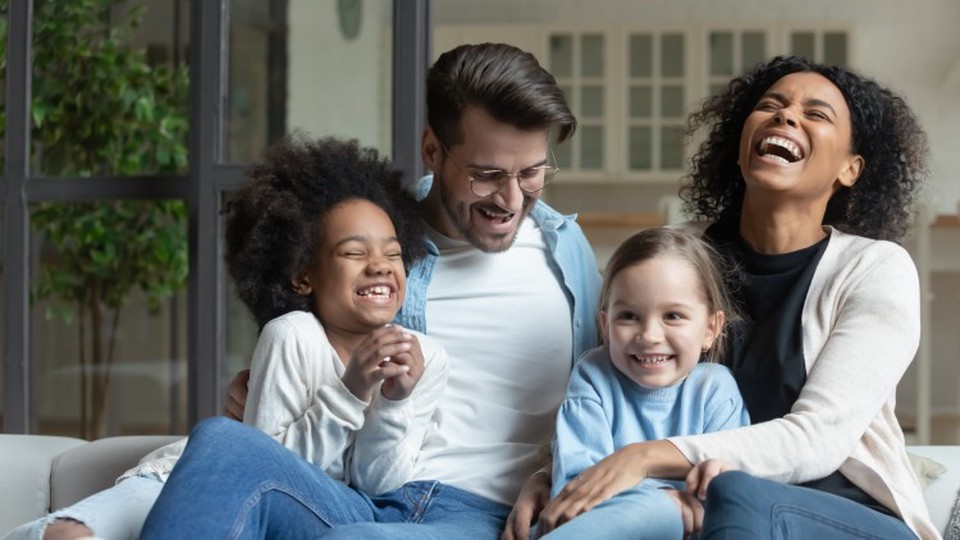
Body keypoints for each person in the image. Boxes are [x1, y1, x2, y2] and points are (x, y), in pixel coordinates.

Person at [140, 42, 601, 540]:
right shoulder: (373, 253)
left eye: (531, 172)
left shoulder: (566, 253)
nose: (511, 199)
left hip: (481, 514)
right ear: (432, 151)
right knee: (221, 441)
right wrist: (262, 394)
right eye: (486, 175)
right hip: (364, 495)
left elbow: (617, 390)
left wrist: (558, 474)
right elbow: (312, 362)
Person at [537, 55, 938, 539]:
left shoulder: (875, 269)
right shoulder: (672, 254)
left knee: (735, 492)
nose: (785, 116)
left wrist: (642, 458)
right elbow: (605, 387)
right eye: (770, 105)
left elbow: (818, 439)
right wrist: (556, 480)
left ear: (850, 169)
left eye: (816, 114)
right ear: (740, 143)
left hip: (849, 517)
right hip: (697, 507)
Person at [2, 135, 447, 540]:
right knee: (69, 537)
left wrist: (392, 403)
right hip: (195, 479)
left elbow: (379, 488)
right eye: (354, 252)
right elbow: (258, 470)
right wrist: (349, 394)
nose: (380, 264)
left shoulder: (423, 359)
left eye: (393, 253)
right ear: (301, 276)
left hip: (286, 509)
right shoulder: (292, 336)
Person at [539, 227, 750, 539]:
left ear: (710, 328)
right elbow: (579, 489)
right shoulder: (593, 376)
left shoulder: (716, 390)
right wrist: (666, 501)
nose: (649, 336)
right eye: (628, 316)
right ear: (605, 325)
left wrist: (671, 506)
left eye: (673, 316)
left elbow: (728, 489)